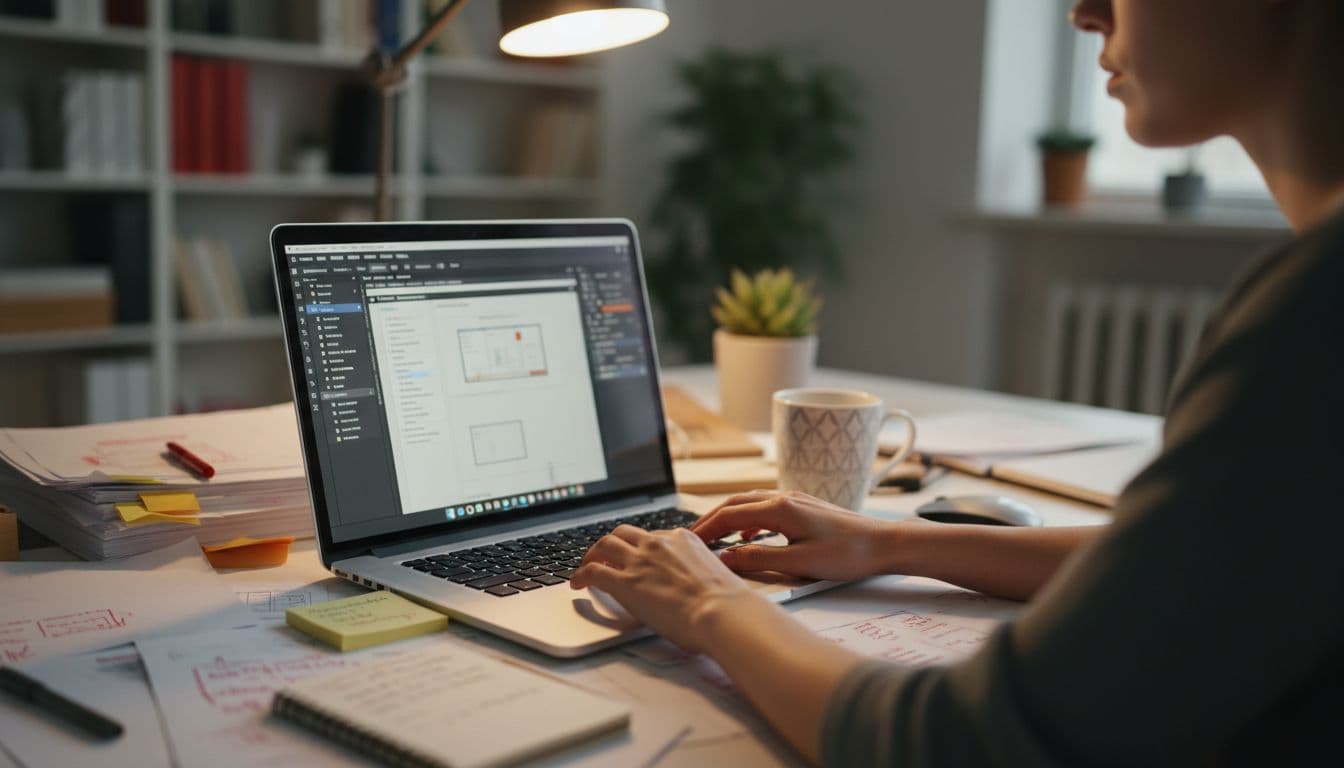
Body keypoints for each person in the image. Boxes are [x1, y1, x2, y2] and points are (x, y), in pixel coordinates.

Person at [569, 0, 1344, 765]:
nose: (1086, 13)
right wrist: (890, 542)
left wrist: (708, 603)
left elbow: (966, 743)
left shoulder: (1317, 307)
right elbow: (1190, 580)